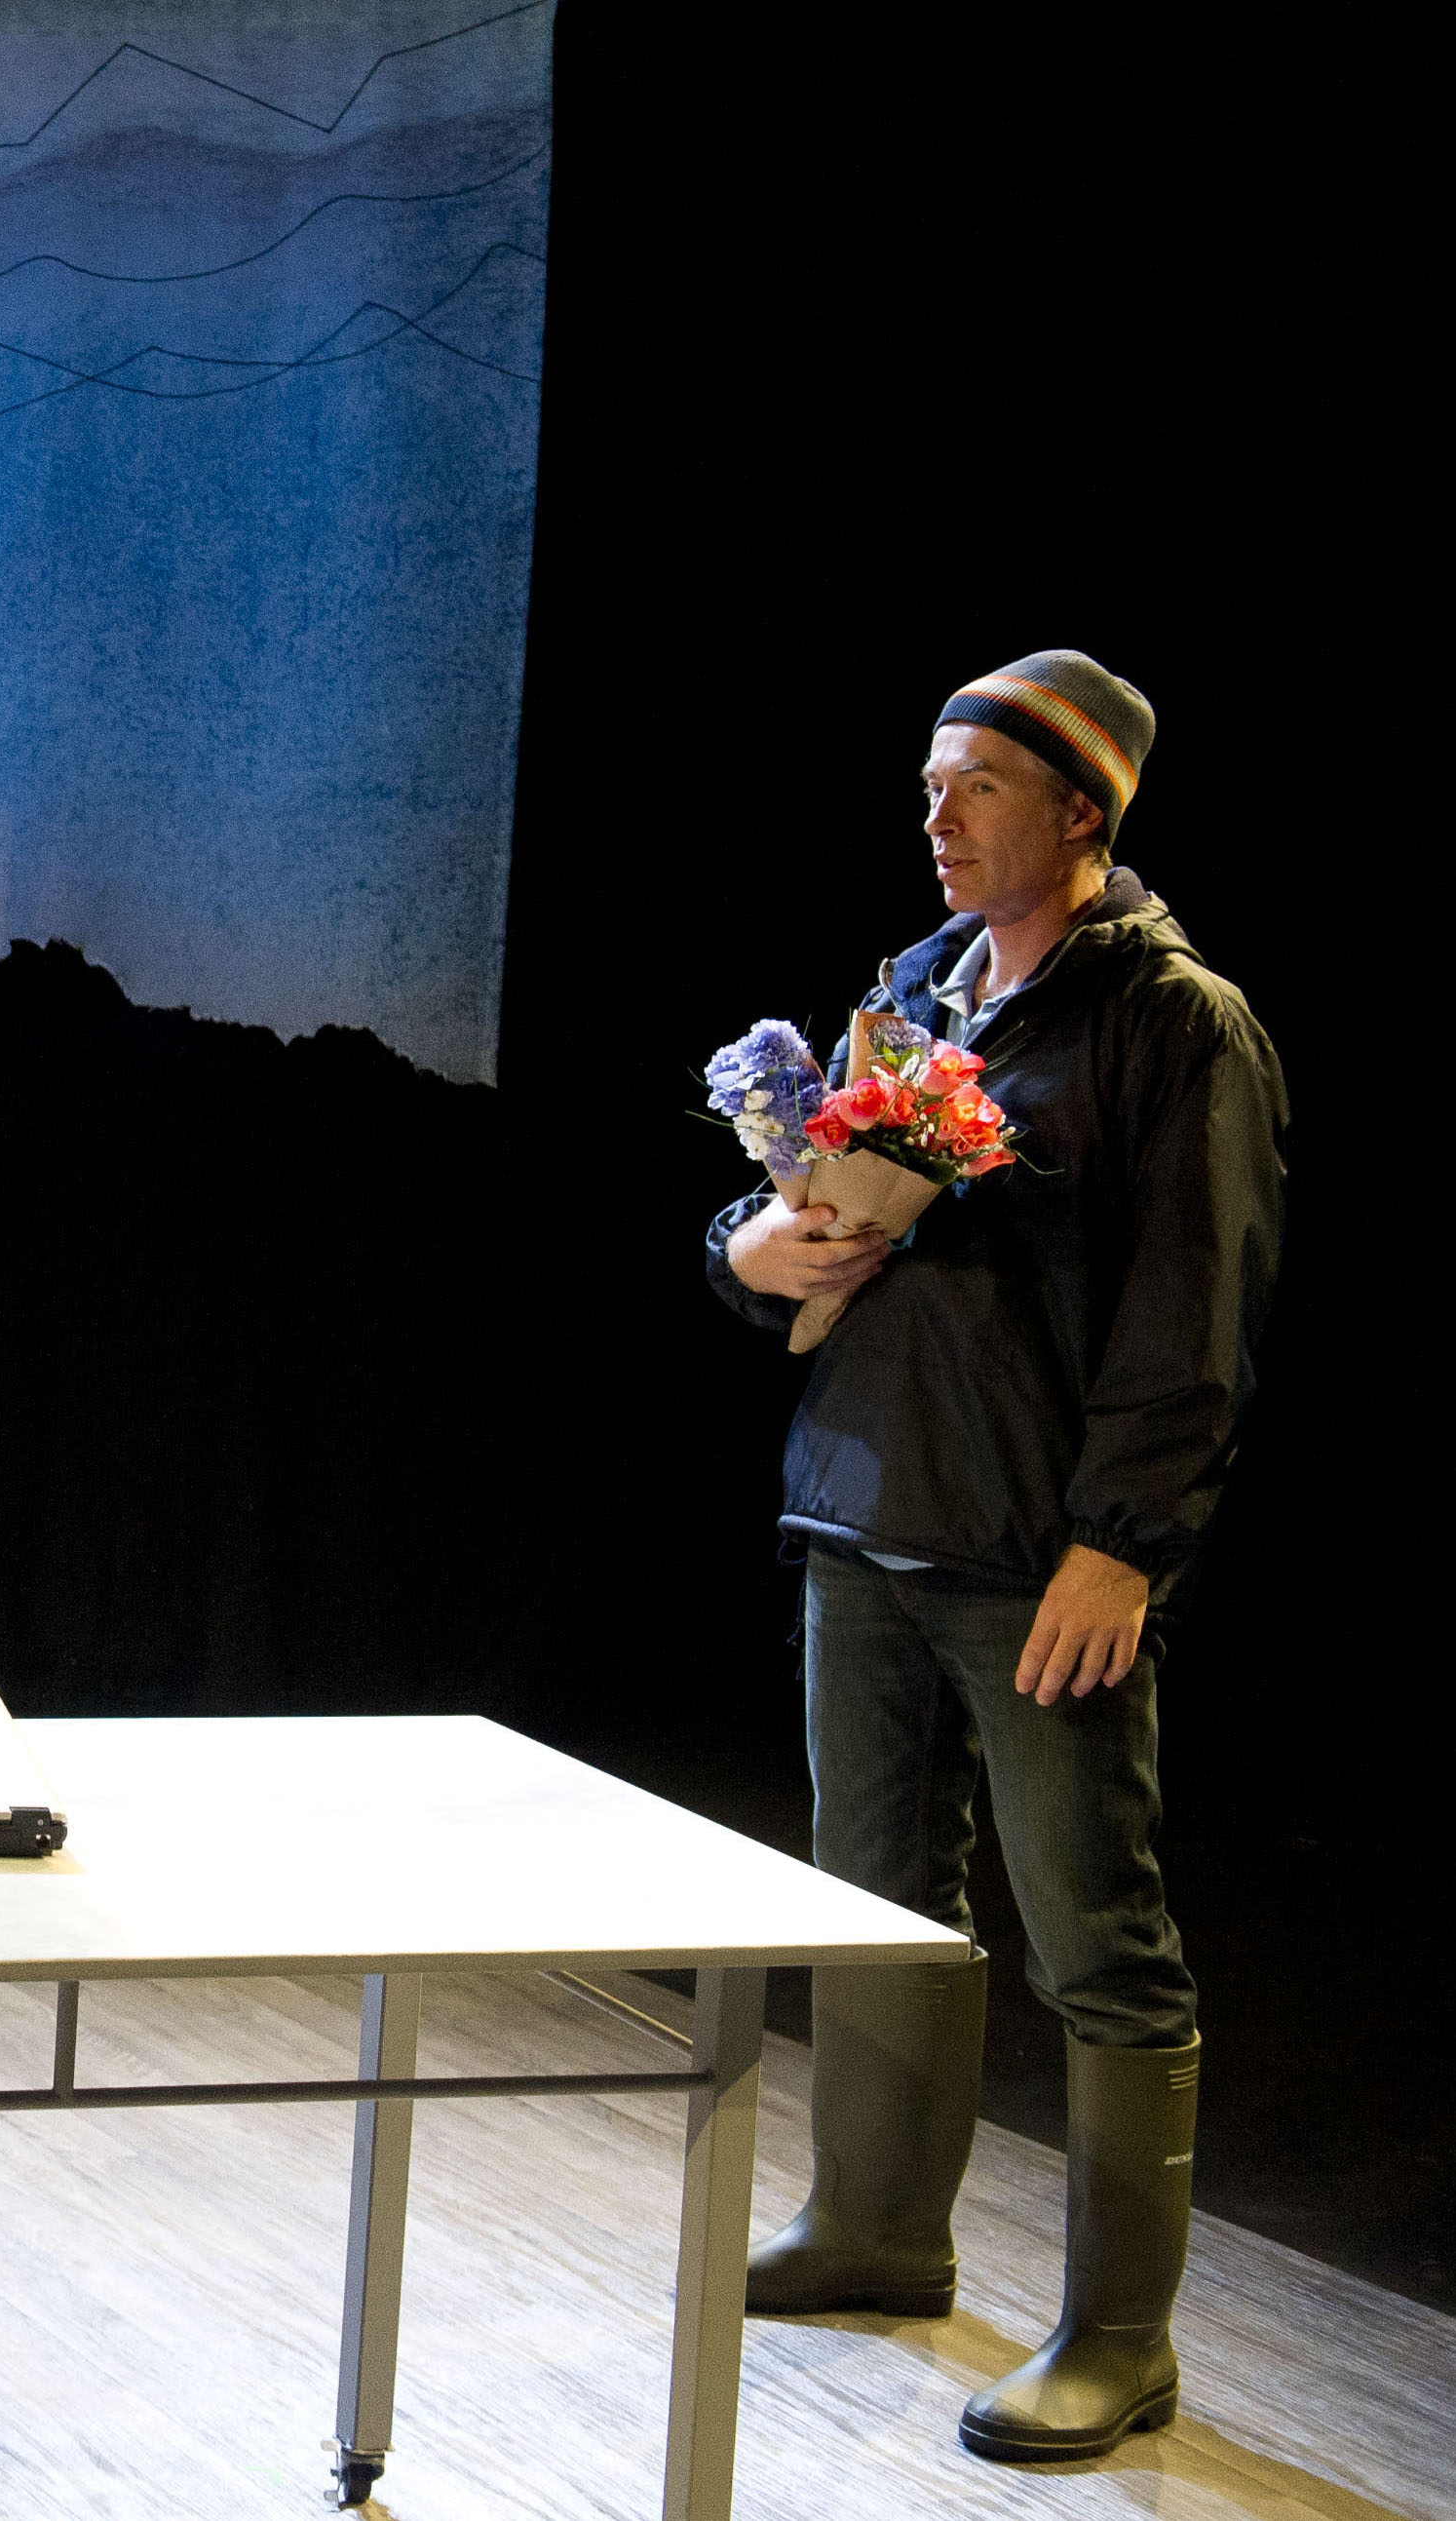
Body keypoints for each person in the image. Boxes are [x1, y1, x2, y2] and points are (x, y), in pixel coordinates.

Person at [709, 653, 1284, 2463]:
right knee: (877, 1894)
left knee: (1095, 1940)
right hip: (863, 1506)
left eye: (974, 787)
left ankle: (1123, 2334)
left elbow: (1194, 1318)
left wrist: (1123, 1547)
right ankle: (876, 2224)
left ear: (1082, 817)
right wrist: (744, 1251)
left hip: (1036, 1549)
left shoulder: (1172, 1022)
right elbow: (803, 1195)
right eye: (928, 780)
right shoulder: (914, 990)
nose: (934, 816)